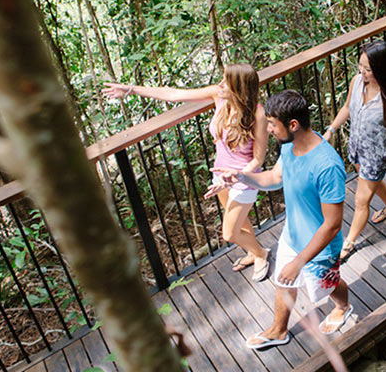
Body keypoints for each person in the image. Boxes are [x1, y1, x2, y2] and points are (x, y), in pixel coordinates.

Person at [104, 65, 272, 282]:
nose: (220, 85)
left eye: (226, 82)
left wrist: (235, 176)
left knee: (229, 233)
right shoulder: (219, 96)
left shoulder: (258, 113)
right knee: (240, 223)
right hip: (220, 176)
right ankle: (253, 251)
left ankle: (260, 253)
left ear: (240, 88)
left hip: (244, 179)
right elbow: (173, 94)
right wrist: (130, 89)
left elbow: (258, 159)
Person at [220, 91, 354, 349]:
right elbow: (273, 178)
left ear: (293, 124)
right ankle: (279, 331)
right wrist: (239, 176)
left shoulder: (328, 166)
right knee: (282, 281)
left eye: (272, 124)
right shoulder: (289, 147)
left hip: (321, 249)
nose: (268, 129)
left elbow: (332, 224)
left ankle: (343, 306)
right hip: (292, 234)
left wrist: (299, 261)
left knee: (326, 286)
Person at [325, 42, 386, 259]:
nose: (362, 72)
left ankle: (349, 242)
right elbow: (347, 108)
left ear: (381, 69)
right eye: (360, 67)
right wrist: (331, 130)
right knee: (370, 182)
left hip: (375, 156)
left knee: (361, 200)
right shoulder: (356, 82)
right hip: (356, 147)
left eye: (368, 69)